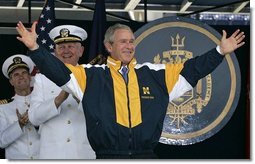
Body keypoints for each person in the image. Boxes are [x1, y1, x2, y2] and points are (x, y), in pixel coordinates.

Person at [16, 21, 245, 159]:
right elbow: (58, 71)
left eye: (132, 41)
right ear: (109, 46)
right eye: (123, 42)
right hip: (107, 157)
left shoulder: (155, 73)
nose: (129, 46)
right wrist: (35, 48)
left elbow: (192, 69)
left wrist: (219, 51)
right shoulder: (90, 75)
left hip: (146, 156)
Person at [28, 25, 95, 159]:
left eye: (71, 46)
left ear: (81, 51)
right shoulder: (41, 79)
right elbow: (34, 118)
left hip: (84, 154)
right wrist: (58, 100)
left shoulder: (92, 75)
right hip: (53, 155)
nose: (66, 51)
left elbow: (102, 114)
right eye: (61, 47)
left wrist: (79, 96)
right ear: (55, 51)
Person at [0, 54, 40, 159]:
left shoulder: (42, 101)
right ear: (11, 81)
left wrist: (36, 121)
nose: (21, 76)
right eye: (16, 75)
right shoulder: (3, 108)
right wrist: (19, 124)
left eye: (24, 73)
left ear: (30, 77)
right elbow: (1, 141)